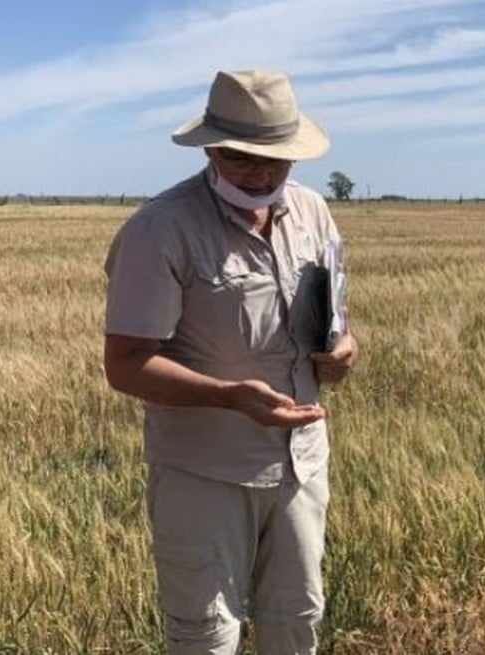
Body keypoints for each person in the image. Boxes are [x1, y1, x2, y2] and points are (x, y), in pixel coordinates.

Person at [103, 69, 359, 654]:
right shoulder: (160, 229)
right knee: (205, 638)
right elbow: (126, 364)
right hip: (205, 473)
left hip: (301, 466)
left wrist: (345, 348)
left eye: (277, 159)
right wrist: (229, 396)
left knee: (297, 623)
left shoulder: (314, 212)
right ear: (211, 149)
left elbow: (335, 315)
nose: (261, 174)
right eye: (242, 158)